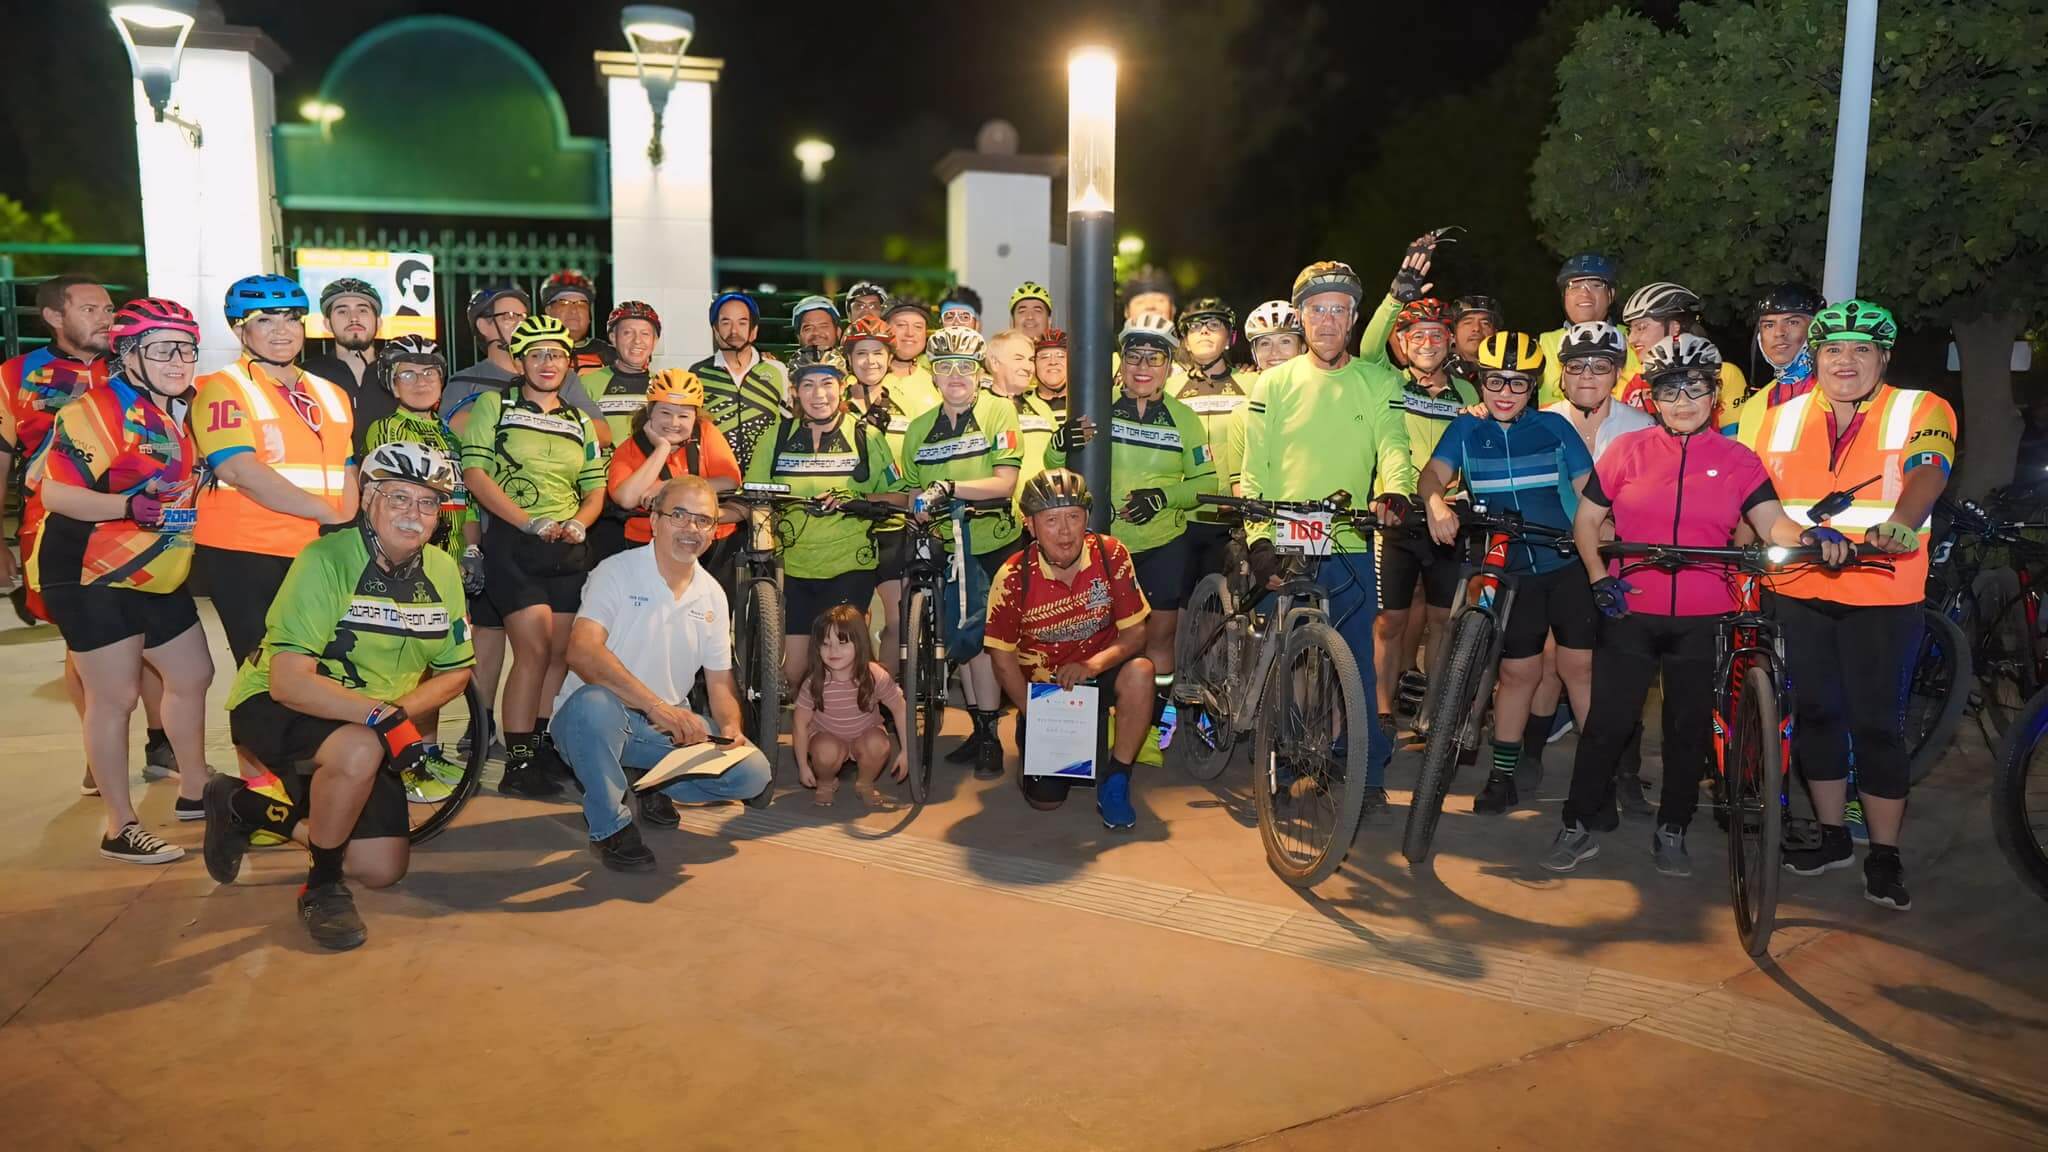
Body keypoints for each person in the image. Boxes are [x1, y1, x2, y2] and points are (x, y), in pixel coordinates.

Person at [1544, 335, 1848, 875]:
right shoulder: (1626, 451)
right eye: (1669, 390)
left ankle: (1673, 827)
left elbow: (1771, 521)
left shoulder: (1738, 459)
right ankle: (1578, 821)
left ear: (1714, 395)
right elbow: (1587, 520)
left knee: (1687, 729)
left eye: (1695, 388)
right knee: (1608, 723)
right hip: (1630, 608)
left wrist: (1809, 536)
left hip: (1704, 616)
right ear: (1653, 398)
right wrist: (1597, 578)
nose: (1682, 400)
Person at [200, 442, 474, 950]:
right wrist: (383, 719)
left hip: (368, 717)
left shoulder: (442, 572)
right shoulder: (325, 559)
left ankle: (242, 805)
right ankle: (322, 887)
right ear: (368, 499)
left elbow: (457, 672)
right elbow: (289, 682)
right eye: (398, 497)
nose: (413, 514)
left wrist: (394, 714)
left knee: (382, 869)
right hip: (279, 704)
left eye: (427, 502)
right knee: (360, 748)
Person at [1750, 300, 1953, 911]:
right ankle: (1833, 835)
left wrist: (1902, 522)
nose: (1846, 361)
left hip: (1882, 590)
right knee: (1816, 715)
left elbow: (1928, 471)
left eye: (1862, 349)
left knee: (1876, 725)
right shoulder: (1777, 417)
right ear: (1816, 358)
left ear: (1883, 358)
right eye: (1833, 349)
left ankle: (1884, 853)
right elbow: (1754, 497)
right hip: (1799, 588)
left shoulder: (1920, 407)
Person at [35, 298, 212, 863]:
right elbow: (55, 492)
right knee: (115, 698)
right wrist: (127, 507)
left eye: (186, 348)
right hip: (91, 571)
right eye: (162, 350)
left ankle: (195, 789)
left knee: (193, 674)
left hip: (156, 570)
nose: (178, 360)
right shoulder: (98, 409)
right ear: (129, 354)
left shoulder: (185, 407)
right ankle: (120, 825)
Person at [1241, 261, 1415, 805]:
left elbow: (1394, 445)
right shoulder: (1273, 382)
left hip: (1347, 534)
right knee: (1284, 655)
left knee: (1357, 660)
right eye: (1317, 309)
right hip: (1286, 532)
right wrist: (1259, 538)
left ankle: (1365, 771)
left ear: (1353, 317)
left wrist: (1396, 491)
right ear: (1302, 317)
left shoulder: (1377, 380)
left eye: (1339, 309)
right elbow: (1254, 467)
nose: (1327, 320)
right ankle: (1285, 755)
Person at [0, 275, 178, 787]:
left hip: (147, 523)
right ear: (54, 317)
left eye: (109, 308)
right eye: (90, 309)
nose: (106, 317)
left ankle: (162, 743)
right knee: (83, 645)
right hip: (58, 527)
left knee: (155, 636)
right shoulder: (16, 376)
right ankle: (99, 756)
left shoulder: (136, 359)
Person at [551, 475, 774, 871]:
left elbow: (720, 682)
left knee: (752, 773)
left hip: (665, 727)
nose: (691, 528)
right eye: (679, 515)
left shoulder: (712, 594)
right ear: (654, 520)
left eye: (703, 520)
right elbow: (582, 651)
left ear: (714, 531)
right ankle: (610, 827)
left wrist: (730, 727)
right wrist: (657, 707)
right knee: (594, 704)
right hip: (597, 720)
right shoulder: (615, 572)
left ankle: (651, 780)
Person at [1418, 331, 1595, 814]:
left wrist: (1604, 540)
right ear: (1480, 381)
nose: (1505, 392)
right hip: (1512, 570)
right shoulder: (1466, 429)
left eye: (1518, 383)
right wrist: (1436, 503)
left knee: (1579, 669)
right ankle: (1502, 776)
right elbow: (1431, 475)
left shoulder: (1554, 427)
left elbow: (1589, 490)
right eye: (1496, 380)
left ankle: (1598, 778)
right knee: (1518, 673)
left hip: (1567, 563)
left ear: (1533, 387)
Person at [458, 314, 607, 799]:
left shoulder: (579, 420)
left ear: (568, 364)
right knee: (534, 650)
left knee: (560, 655)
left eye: (557, 355)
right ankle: (517, 764)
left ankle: (540, 750)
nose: (547, 362)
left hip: (567, 544)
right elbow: (475, 475)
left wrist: (581, 521)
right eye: (537, 354)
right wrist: (527, 522)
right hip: (514, 541)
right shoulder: (493, 405)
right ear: (520, 362)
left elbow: (595, 487)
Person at [1047, 314, 1213, 723]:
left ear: (1169, 366)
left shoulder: (1184, 418)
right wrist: (1057, 445)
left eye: (1154, 358)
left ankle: (1154, 726)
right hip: (1102, 544)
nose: (1143, 366)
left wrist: (1163, 497)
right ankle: (1095, 721)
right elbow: (1054, 467)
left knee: (1159, 638)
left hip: (1161, 545)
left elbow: (1209, 481)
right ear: (1121, 361)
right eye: (1134, 355)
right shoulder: (1096, 406)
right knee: (1093, 636)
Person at [191, 274, 357, 668]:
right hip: (247, 553)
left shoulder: (331, 392)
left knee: (323, 669)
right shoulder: (220, 388)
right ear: (239, 330)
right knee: (265, 671)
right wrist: (327, 514)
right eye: (265, 320)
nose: (282, 330)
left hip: (319, 549)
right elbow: (239, 470)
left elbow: (347, 469)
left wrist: (347, 528)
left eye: (291, 318)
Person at [984, 469, 1155, 828]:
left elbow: (1136, 634)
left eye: (1074, 517)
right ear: (1030, 525)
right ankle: (1031, 742)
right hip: (1046, 694)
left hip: (1098, 671)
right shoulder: (1012, 576)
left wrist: (1091, 666)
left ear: (1087, 518)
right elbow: (1001, 659)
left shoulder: (1111, 554)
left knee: (1142, 671)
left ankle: (1117, 777)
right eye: (1051, 520)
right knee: (1045, 802)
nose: (1065, 531)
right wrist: (1034, 715)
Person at [899, 327, 1023, 778]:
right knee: (962, 644)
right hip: (947, 547)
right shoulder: (918, 428)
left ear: (979, 374)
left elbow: (1005, 483)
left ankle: (991, 738)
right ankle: (979, 728)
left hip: (992, 543)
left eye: (964, 367)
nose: (955, 375)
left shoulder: (998, 411)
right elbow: (911, 490)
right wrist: (918, 506)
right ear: (933, 375)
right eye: (945, 367)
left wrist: (949, 487)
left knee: (984, 643)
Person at [358, 335, 473, 800]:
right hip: (404, 560)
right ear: (391, 382)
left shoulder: (448, 433)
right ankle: (397, 757)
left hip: (446, 561)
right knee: (401, 664)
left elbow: (463, 501)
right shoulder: (385, 428)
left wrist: (470, 549)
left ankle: (424, 748)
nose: (421, 381)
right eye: (408, 373)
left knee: (434, 661)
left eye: (430, 373)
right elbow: (392, 498)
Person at [744, 348, 900, 689]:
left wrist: (857, 499)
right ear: (795, 391)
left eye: (827, 384)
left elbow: (899, 495)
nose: (819, 394)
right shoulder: (777, 436)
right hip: (794, 567)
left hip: (850, 564)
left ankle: (859, 710)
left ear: (842, 387)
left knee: (842, 664)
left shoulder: (866, 436)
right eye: (808, 385)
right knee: (794, 674)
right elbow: (755, 495)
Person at [1367, 298, 1480, 736]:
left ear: (1450, 341)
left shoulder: (1467, 392)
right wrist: (1395, 297)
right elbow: (1369, 346)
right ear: (1402, 342)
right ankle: (1381, 711)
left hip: (1447, 516)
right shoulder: (1387, 380)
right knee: (1389, 622)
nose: (1428, 343)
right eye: (1417, 335)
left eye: (1437, 335)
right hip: (1397, 517)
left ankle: (1430, 712)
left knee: (1442, 622)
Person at [605, 369, 741, 578]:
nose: (674, 423)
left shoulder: (706, 433)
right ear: (650, 412)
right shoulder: (630, 448)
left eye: (684, 415)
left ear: (695, 417)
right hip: (648, 543)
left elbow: (730, 481)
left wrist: (666, 487)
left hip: (711, 544)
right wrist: (662, 449)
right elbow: (626, 499)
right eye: (665, 413)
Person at [441, 286, 606, 438]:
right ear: (483, 326)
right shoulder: (464, 382)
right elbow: (452, 429)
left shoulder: (561, 376)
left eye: (524, 317)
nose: (520, 323)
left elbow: (602, 432)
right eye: (509, 316)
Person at [794, 603, 912, 810]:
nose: (833, 651)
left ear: (859, 643)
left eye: (842, 643)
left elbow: (900, 709)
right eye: (826, 644)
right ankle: (826, 782)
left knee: (879, 745)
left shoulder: (875, 675)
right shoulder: (815, 682)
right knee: (825, 751)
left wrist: (907, 751)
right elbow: (799, 724)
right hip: (826, 738)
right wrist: (803, 765)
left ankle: (865, 783)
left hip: (865, 736)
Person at [1173, 298, 1254, 579]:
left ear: (1231, 338)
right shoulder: (1168, 387)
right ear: (1185, 341)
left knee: (1229, 601)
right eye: (1195, 327)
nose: (1204, 331)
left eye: (1214, 324)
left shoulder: (1254, 384)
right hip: (1181, 516)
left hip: (1235, 515)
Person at [1615, 281, 1747, 429]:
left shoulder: (1722, 373)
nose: (1631, 339)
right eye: (1630, 330)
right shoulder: (1626, 381)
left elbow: (1734, 438)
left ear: (1674, 327)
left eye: (1641, 327)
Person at [691, 291, 790, 475]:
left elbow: (790, 424)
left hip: (768, 480)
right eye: (725, 322)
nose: (734, 331)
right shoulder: (698, 373)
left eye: (742, 323)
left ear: (754, 331)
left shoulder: (778, 371)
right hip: (716, 480)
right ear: (715, 330)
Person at [1733, 282, 1827, 445]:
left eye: (1792, 322)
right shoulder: (1756, 404)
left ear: (1816, 329)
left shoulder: (1838, 394)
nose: (1779, 333)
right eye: (1769, 325)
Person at [984, 328, 1059, 518]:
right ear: (995, 363)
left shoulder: (1041, 407)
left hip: (1044, 516)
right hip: (999, 520)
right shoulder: (979, 408)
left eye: (1030, 359)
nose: (1028, 367)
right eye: (1018, 358)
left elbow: (1057, 462)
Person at [1537, 253, 1628, 405]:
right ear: (1564, 296)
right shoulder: (1544, 344)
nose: (1585, 293)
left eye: (1596, 285)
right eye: (1574, 286)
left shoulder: (1633, 339)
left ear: (1611, 294)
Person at [302, 277, 384, 433]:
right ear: (327, 324)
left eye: (362, 310)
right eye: (342, 311)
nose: (353, 318)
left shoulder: (398, 374)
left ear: (378, 322)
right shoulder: (306, 375)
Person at [581, 300, 661, 452]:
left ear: (654, 341)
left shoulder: (664, 385)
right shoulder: (586, 384)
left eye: (645, 334)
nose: (637, 341)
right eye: (627, 333)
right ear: (613, 337)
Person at [540, 269, 613, 374]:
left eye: (581, 304)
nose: (574, 310)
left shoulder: (611, 356)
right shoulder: (534, 353)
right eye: (564, 303)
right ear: (548, 311)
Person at [1242, 300, 1304, 372]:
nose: (1275, 352)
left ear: (1303, 347)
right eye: (1265, 343)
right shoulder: (1243, 378)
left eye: (1285, 341)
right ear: (1254, 352)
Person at [1033, 327, 1070, 408]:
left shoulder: (1088, 402)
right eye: (1044, 357)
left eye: (1061, 356)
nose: (1053, 362)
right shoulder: (1016, 403)